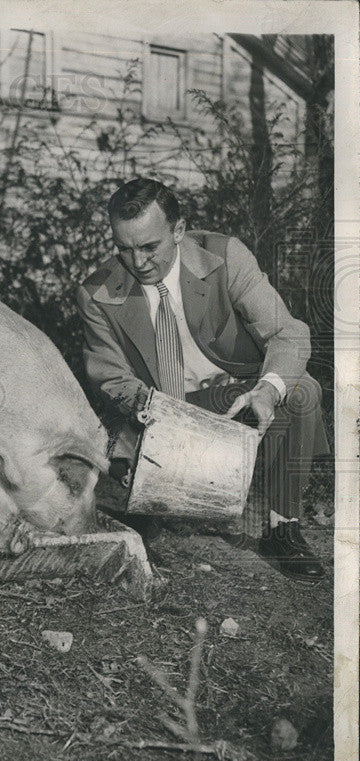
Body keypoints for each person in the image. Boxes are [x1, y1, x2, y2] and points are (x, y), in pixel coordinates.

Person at [77, 177, 329, 582]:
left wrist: (265, 391)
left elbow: (289, 333)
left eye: (149, 247)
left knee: (301, 391)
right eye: (123, 248)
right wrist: (159, 424)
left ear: (178, 230)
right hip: (161, 412)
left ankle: (283, 529)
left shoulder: (224, 256)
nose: (137, 262)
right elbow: (110, 379)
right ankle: (156, 506)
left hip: (235, 400)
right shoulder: (96, 293)